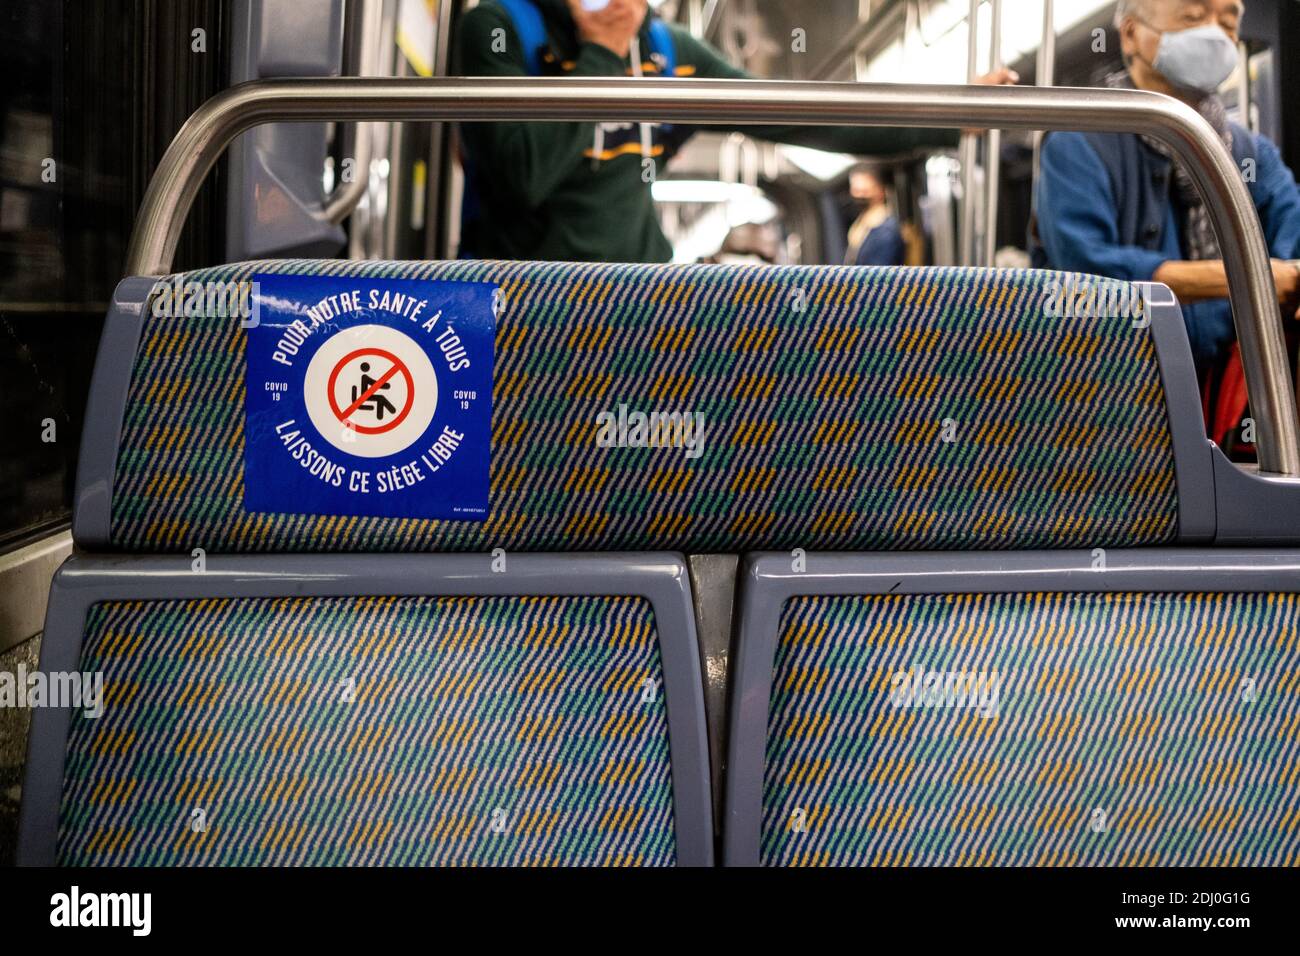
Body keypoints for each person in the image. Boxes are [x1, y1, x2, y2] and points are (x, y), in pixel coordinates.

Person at [455, 0, 1015, 262]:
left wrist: (949, 118)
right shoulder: (500, 30)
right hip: (520, 303)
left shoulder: (667, 51)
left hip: (634, 298)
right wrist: (603, 51)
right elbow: (522, 175)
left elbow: (805, 116)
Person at [1034, 0, 1300, 444]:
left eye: (1228, 22)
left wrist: (1285, 279)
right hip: (1107, 398)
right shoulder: (1079, 139)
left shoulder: (1249, 152)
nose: (1216, 35)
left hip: (1224, 399)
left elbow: (1291, 236)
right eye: (1193, 19)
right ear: (1131, 34)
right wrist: (1254, 278)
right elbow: (1089, 273)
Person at [846, 165, 905, 266]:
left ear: (880, 191)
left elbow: (880, 273)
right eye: (856, 191)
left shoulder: (886, 230)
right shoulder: (861, 224)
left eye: (865, 191)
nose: (860, 196)